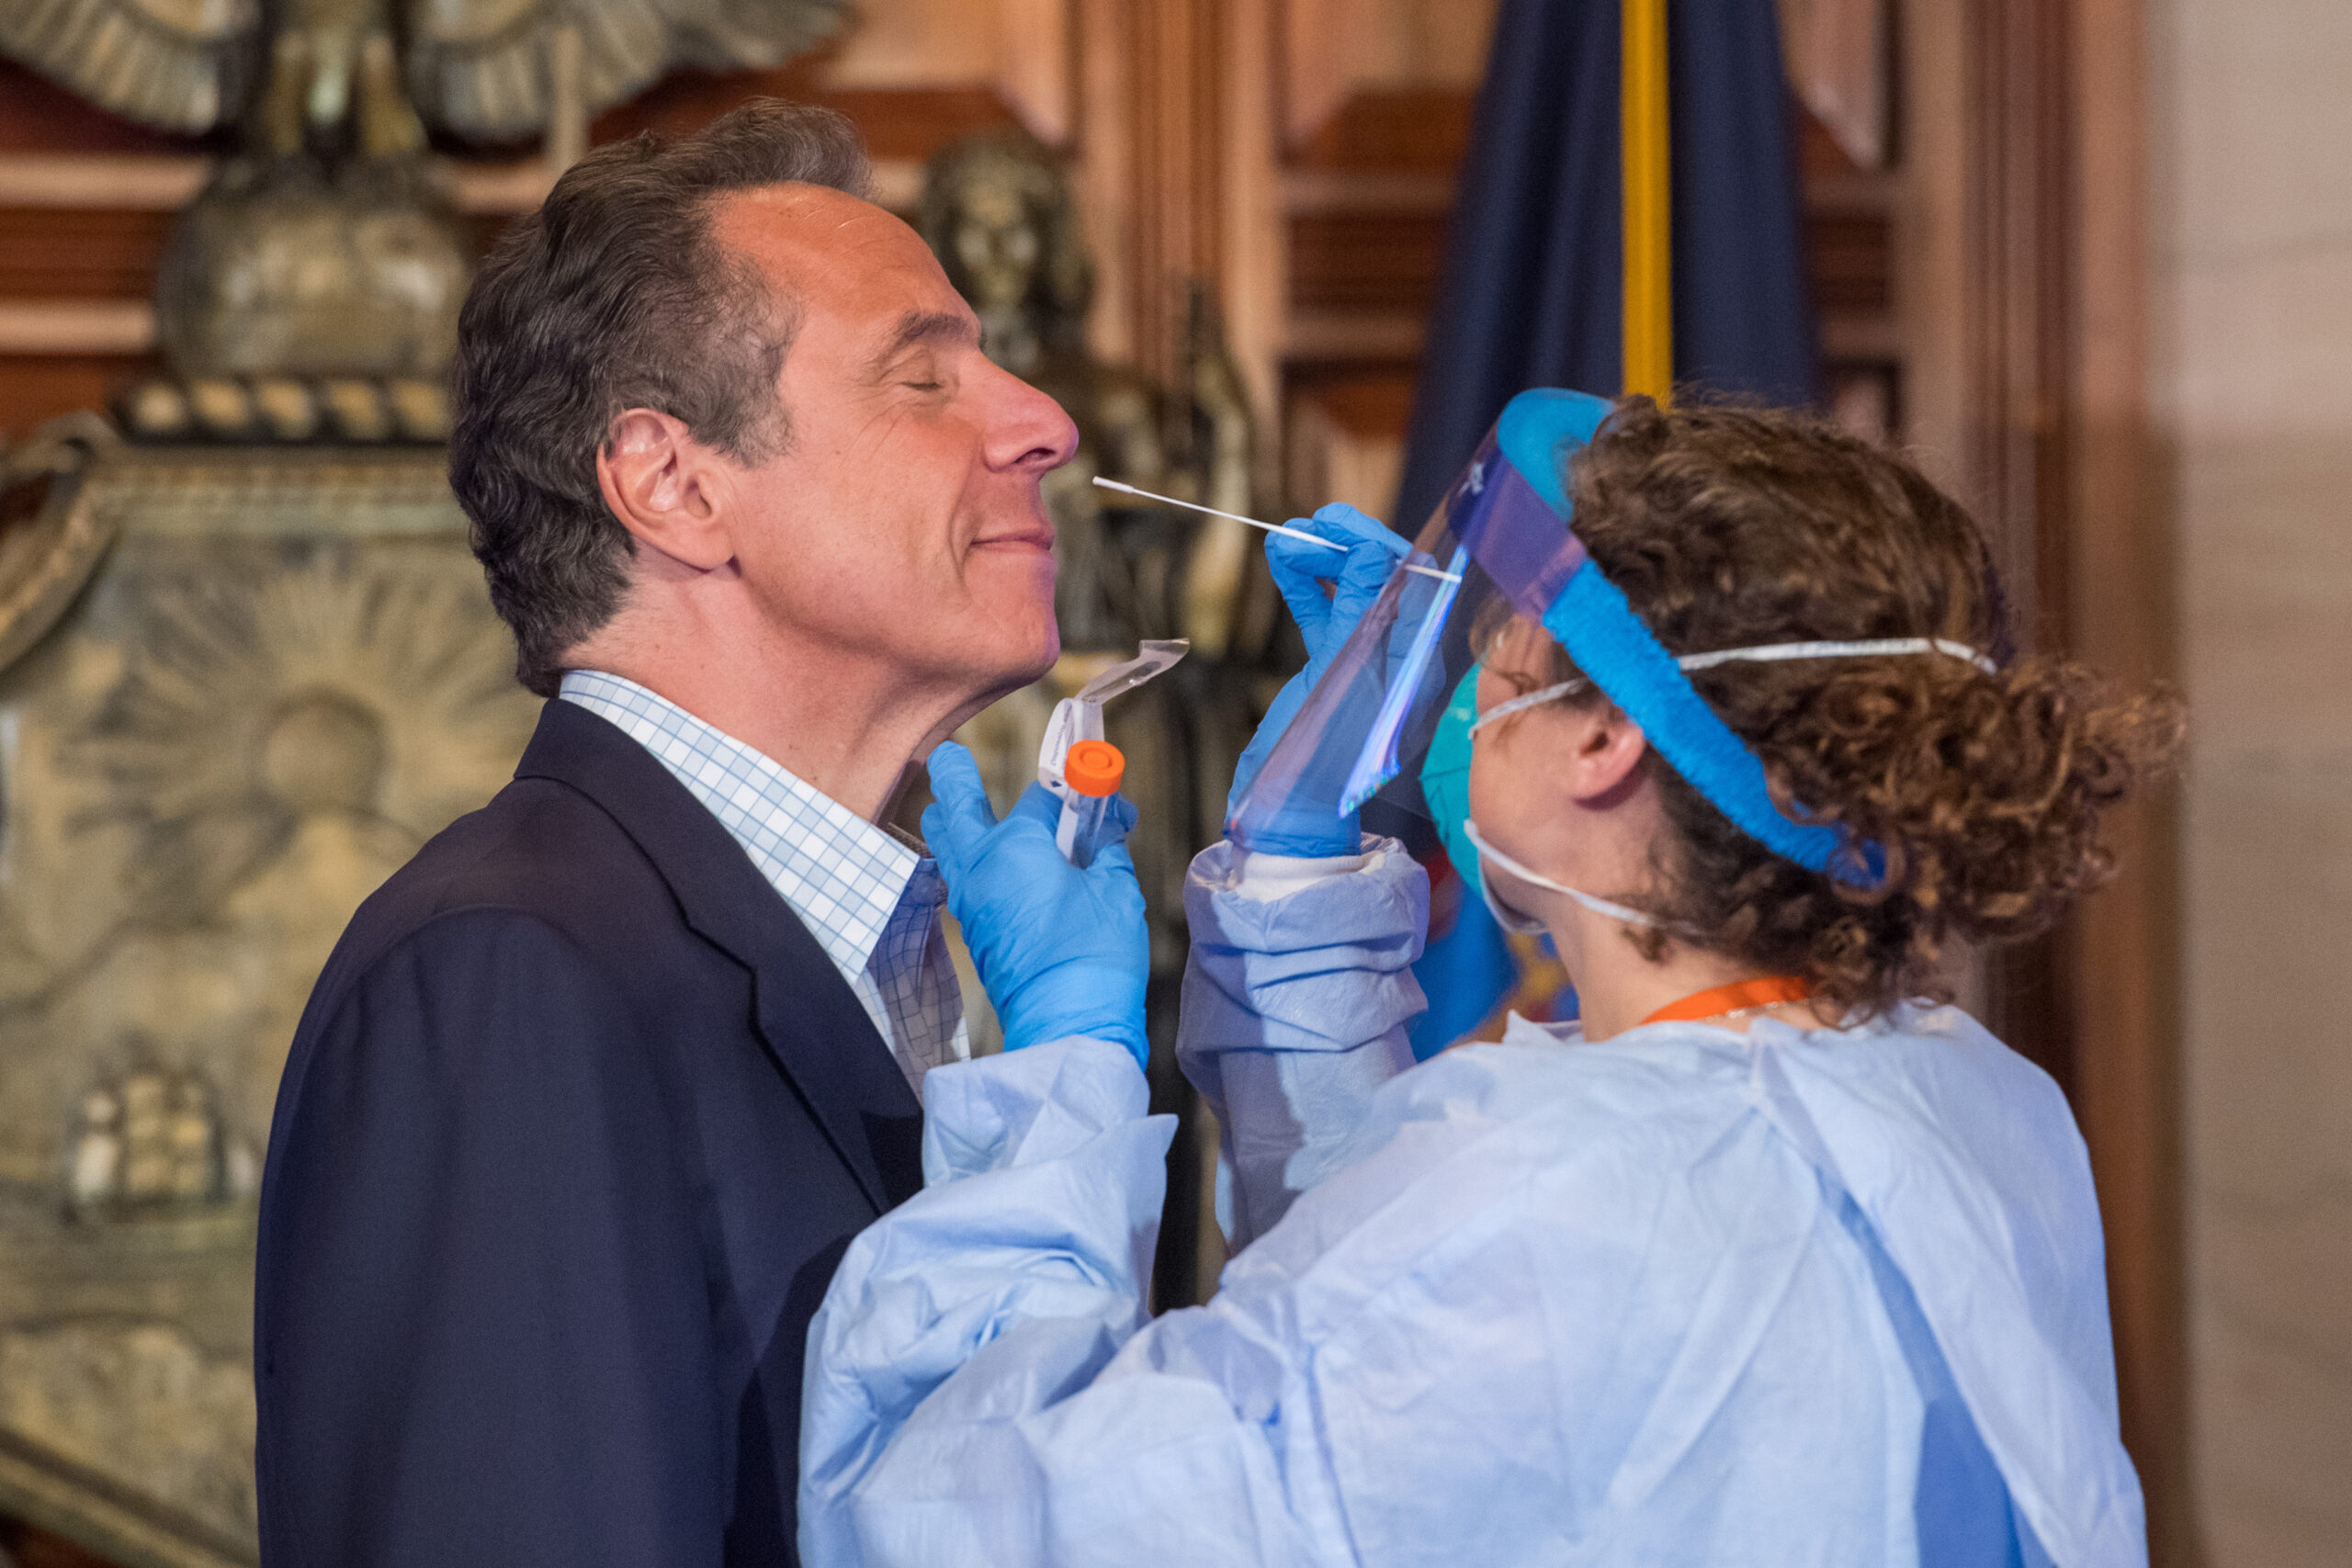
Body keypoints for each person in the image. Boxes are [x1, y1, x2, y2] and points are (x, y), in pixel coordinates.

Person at [797, 393, 2179, 1567]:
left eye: (1498, 653)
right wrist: (1293, 860)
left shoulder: (1554, 1195)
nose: (1461, 695)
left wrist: (1061, 1071)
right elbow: (1383, 1362)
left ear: (1605, 742)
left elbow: (964, 1523)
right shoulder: (1971, 1101)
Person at [253, 101, 1136, 1566]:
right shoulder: (504, 977)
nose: (1046, 423)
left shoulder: (835, 956)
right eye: (925, 377)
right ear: (672, 483)